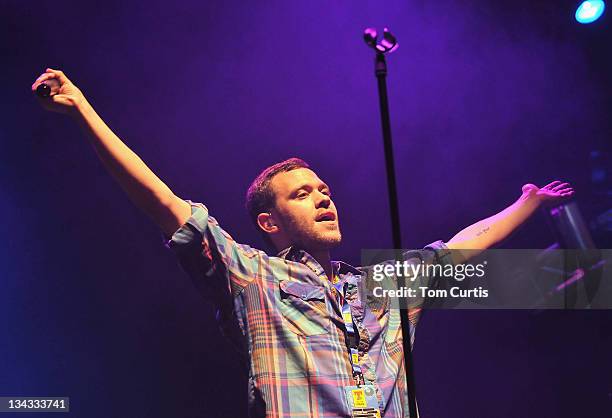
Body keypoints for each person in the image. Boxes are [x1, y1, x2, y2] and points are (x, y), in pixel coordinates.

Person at [32, 68, 574, 417]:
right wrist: (83, 110)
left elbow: (457, 249)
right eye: (302, 194)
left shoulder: (381, 286)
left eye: (325, 190)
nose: (322, 198)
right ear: (270, 222)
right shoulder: (254, 277)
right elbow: (164, 203)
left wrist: (525, 202)